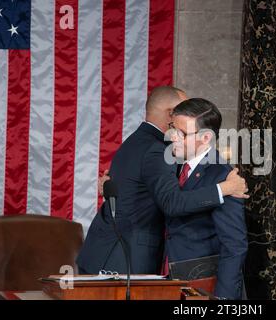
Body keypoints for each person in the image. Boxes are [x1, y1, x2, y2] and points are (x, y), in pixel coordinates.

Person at [76, 86, 248, 275]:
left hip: (103, 249)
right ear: (171, 115)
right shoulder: (158, 149)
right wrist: (224, 188)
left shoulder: (137, 140)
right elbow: (172, 202)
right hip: (124, 256)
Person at [163, 98, 248, 299]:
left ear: (206, 137)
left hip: (203, 287)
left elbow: (235, 245)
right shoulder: (173, 166)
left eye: (181, 133)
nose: (172, 137)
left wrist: (222, 299)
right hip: (172, 282)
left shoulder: (223, 176)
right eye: (172, 128)